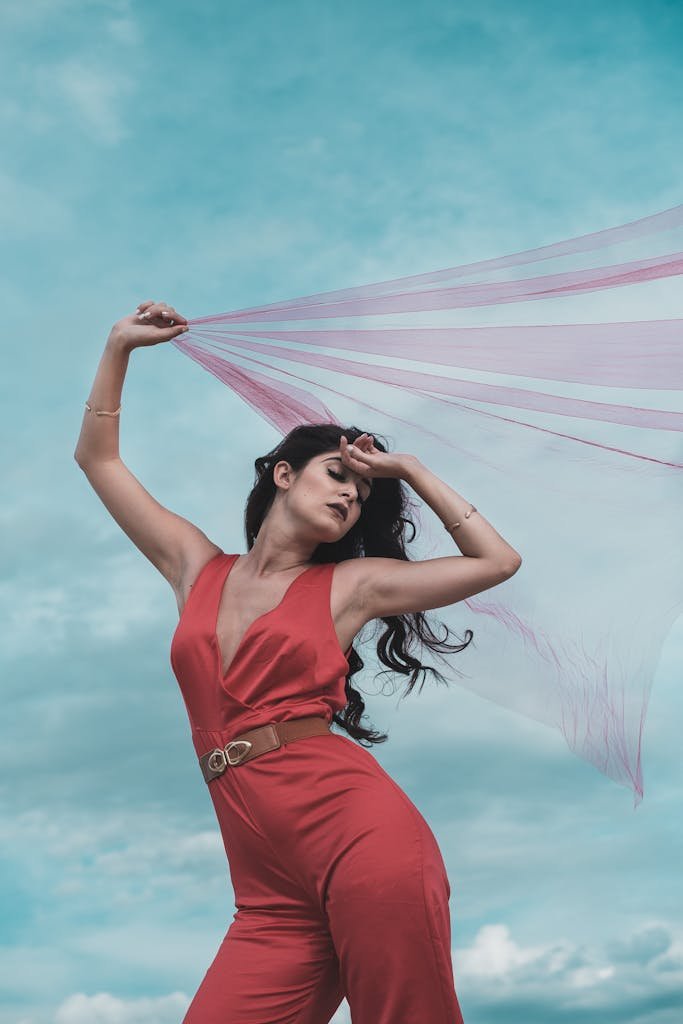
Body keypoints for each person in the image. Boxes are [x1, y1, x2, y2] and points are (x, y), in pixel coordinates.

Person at [74, 299, 522, 1024]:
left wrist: (410, 468)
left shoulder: (350, 585)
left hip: (357, 834)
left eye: (362, 490)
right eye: (336, 473)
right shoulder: (196, 568)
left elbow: (496, 561)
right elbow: (97, 460)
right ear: (282, 474)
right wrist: (119, 346)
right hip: (266, 889)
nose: (351, 491)